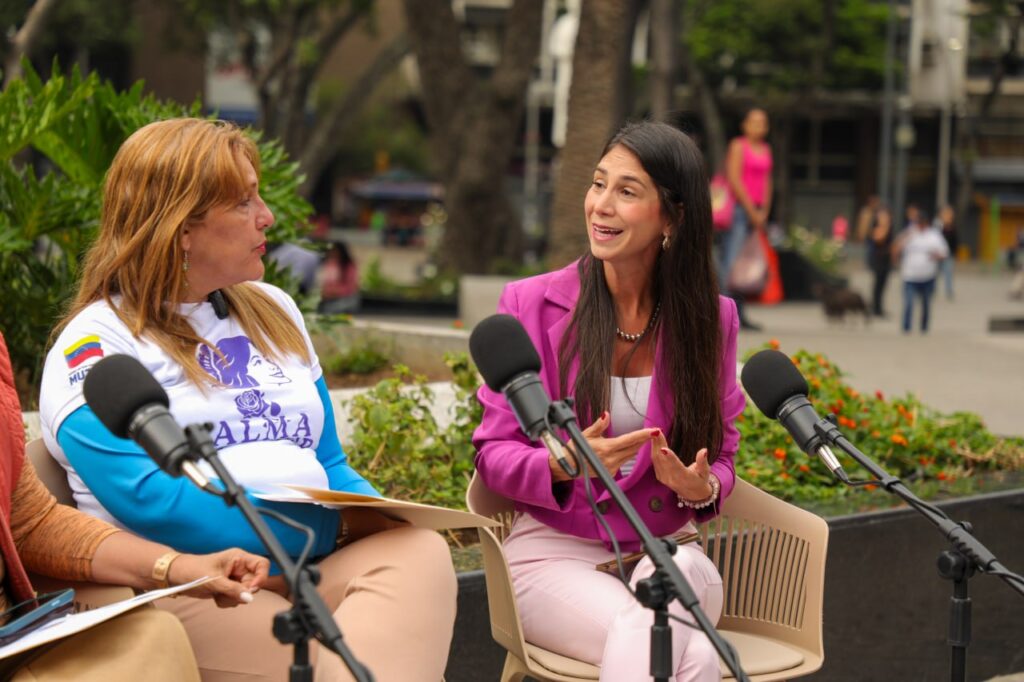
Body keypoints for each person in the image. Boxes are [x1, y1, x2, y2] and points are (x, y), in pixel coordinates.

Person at [37, 118, 457, 681]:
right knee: (336, 669)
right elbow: (155, 504)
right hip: (188, 582)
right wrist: (332, 530)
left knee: (419, 551)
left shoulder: (274, 309)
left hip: (306, 562)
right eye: (243, 202)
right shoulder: (94, 344)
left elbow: (328, 463)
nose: (268, 216)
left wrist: (386, 515)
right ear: (181, 228)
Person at [473, 121, 745, 681]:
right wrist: (561, 463)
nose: (601, 205)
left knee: (668, 605)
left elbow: (723, 454)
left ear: (672, 217)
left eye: (626, 191)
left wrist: (704, 487)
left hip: (669, 549)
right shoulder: (529, 303)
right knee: (686, 652)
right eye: (598, 184)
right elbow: (492, 455)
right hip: (553, 548)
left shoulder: (712, 319)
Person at [0, 331, 269, 680]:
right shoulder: (91, 335)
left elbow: (32, 522)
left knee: (153, 636)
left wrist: (180, 568)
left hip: (14, 641)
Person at [720, 108, 773, 331]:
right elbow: (734, 179)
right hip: (740, 211)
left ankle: (740, 314)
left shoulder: (766, 149)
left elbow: (767, 180)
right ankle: (724, 314)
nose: (759, 126)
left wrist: (765, 211)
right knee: (731, 263)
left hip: (757, 212)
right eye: (754, 122)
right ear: (745, 125)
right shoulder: (738, 146)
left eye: (763, 122)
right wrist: (752, 212)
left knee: (746, 263)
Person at [893, 208, 949, 334]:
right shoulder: (909, 233)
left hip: (928, 276)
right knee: (909, 303)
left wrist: (937, 256)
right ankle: (906, 327)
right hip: (910, 276)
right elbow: (896, 248)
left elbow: (944, 253)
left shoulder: (934, 236)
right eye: (918, 222)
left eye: (922, 222)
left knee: (926, 304)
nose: (920, 225)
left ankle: (924, 327)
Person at [319, 241, 361, 314]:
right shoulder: (330, 264)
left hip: (346, 298)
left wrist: (334, 292)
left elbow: (350, 287)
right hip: (330, 299)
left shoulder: (348, 266)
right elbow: (327, 283)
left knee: (330, 310)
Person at [867, 206, 894, 318]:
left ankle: (879, 307)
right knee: (877, 285)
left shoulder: (890, 228)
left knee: (883, 284)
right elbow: (879, 239)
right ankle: (875, 307)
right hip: (878, 260)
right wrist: (885, 225)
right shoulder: (877, 228)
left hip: (886, 260)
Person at [934, 205, 958, 300]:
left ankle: (949, 291)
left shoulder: (952, 226)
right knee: (934, 273)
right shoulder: (937, 224)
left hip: (948, 254)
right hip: (937, 253)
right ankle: (932, 290)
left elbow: (954, 241)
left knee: (948, 273)